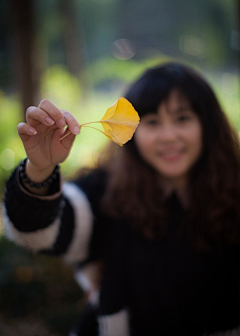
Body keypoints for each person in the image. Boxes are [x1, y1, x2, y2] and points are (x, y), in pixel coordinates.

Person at [3, 62, 240, 336]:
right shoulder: (105, 192)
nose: (168, 136)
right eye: (152, 122)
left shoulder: (234, 197)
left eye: (182, 119)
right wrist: (40, 171)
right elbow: (39, 233)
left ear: (207, 125)